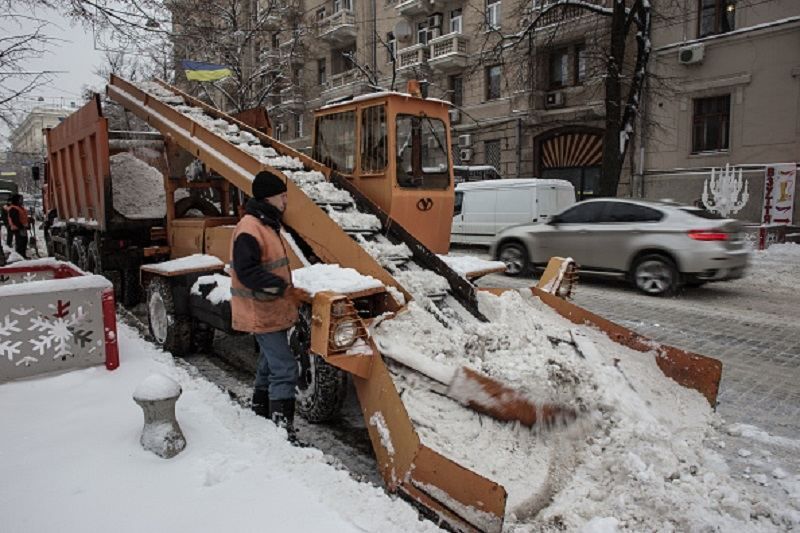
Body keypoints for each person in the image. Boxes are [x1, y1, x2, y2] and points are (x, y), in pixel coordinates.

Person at [230, 170, 303, 440]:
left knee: (267, 364)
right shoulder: (251, 228)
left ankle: (259, 413)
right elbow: (246, 271)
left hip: (269, 308)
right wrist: (280, 286)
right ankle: (282, 431)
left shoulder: (266, 223)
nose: (286, 201)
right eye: (282, 196)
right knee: (284, 368)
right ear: (269, 197)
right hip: (260, 310)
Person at [7, 194, 29, 259]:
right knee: (20, 243)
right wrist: (21, 226)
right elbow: (15, 220)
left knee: (24, 242)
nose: (22, 201)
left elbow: (22, 217)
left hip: (22, 228)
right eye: (20, 199)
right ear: (16, 200)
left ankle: (23, 255)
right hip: (18, 229)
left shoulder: (19, 207)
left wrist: (28, 221)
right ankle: (20, 256)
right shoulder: (13, 208)